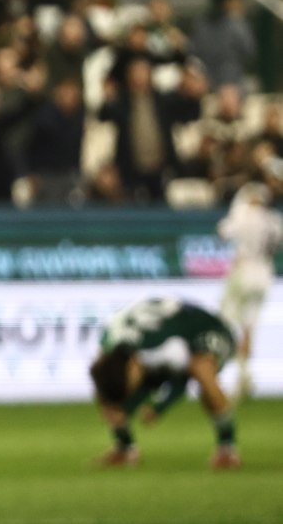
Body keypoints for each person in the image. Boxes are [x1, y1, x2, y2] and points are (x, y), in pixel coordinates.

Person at [89, 298, 242, 470]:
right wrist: (118, 405)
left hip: (208, 328)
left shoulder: (163, 347)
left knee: (201, 368)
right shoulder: (108, 345)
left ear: (132, 365)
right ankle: (124, 448)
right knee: (107, 394)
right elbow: (110, 383)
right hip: (159, 333)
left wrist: (159, 408)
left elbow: (182, 380)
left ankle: (227, 447)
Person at [217, 183, 283, 401]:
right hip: (265, 273)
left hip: (244, 270)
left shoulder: (243, 214)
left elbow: (223, 232)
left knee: (225, 321)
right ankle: (244, 376)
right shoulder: (274, 220)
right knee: (249, 327)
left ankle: (217, 371)